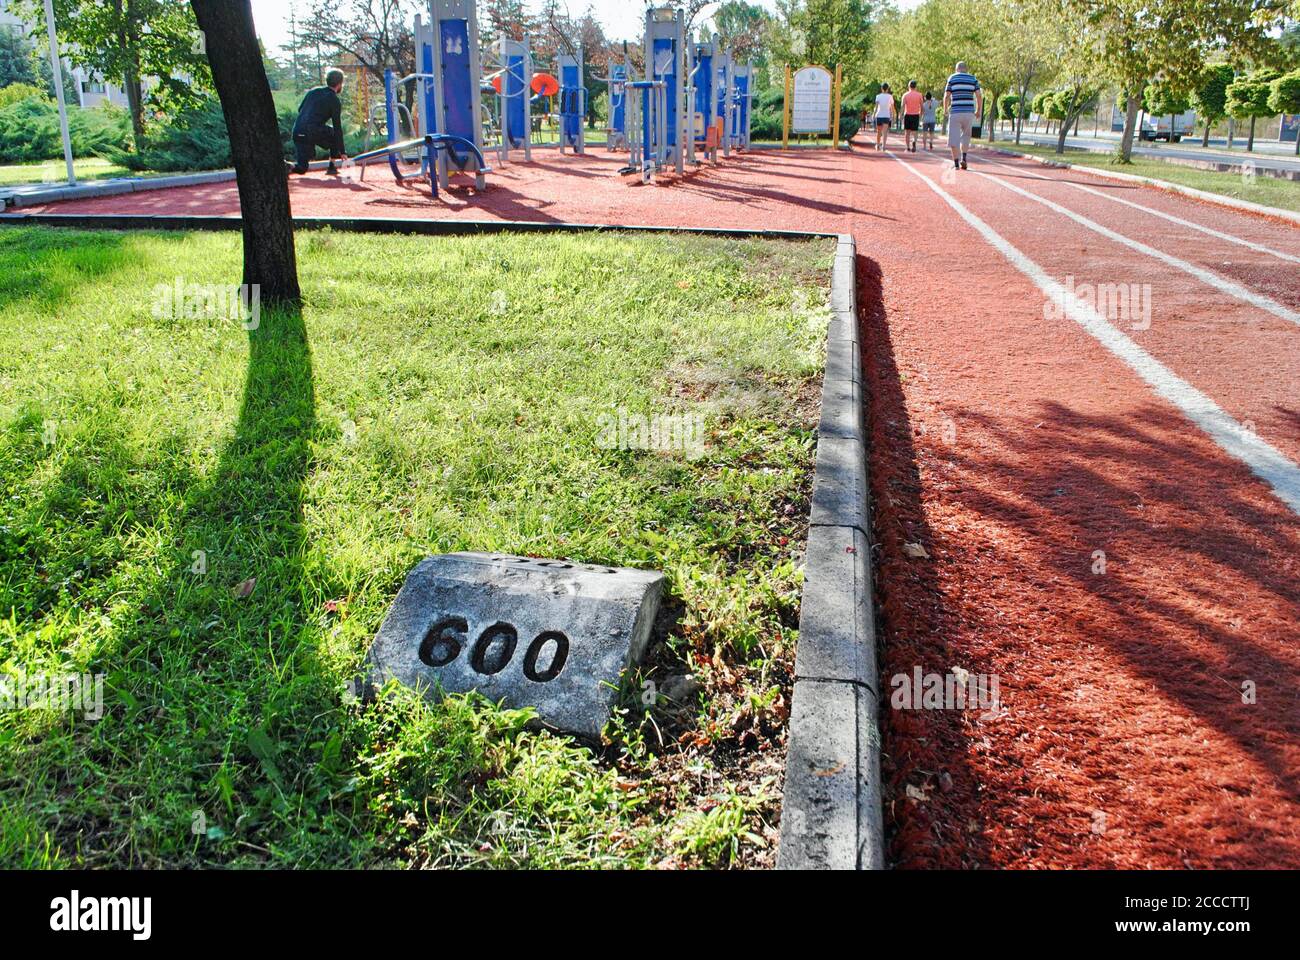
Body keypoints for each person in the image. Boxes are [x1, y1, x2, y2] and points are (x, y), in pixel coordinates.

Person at [290, 68, 348, 176]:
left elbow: (300, 109)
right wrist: (343, 151)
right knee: (333, 134)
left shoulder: (313, 91)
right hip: (312, 132)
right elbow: (337, 128)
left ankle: (287, 166)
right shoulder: (334, 100)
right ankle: (332, 167)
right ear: (340, 84)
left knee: (302, 168)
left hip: (297, 131)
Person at [942, 61, 982, 170]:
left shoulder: (952, 78)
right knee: (966, 136)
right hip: (969, 112)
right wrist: (978, 110)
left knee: (954, 138)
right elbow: (978, 95)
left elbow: (946, 96)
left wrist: (945, 109)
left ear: (957, 69)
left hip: (955, 111)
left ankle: (956, 163)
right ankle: (964, 158)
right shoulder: (973, 79)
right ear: (966, 69)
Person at [901, 80, 924, 153]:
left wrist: (901, 115)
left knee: (907, 132)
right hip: (916, 115)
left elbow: (902, 106)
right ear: (915, 87)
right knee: (915, 131)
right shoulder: (919, 95)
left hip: (907, 114)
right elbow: (922, 107)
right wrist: (921, 115)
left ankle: (907, 147)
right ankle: (914, 141)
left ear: (909, 86)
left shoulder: (905, 95)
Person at [873, 83, 896, 151]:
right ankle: (884, 146)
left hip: (879, 115)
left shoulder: (878, 96)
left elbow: (876, 107)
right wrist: (893, 116)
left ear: (881, 88)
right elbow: (892, 108)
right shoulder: (890, 97)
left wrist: (874, 115)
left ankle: (877, 145)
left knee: (879, 132)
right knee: (885, 132)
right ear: (888, 89)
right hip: (886, 116)